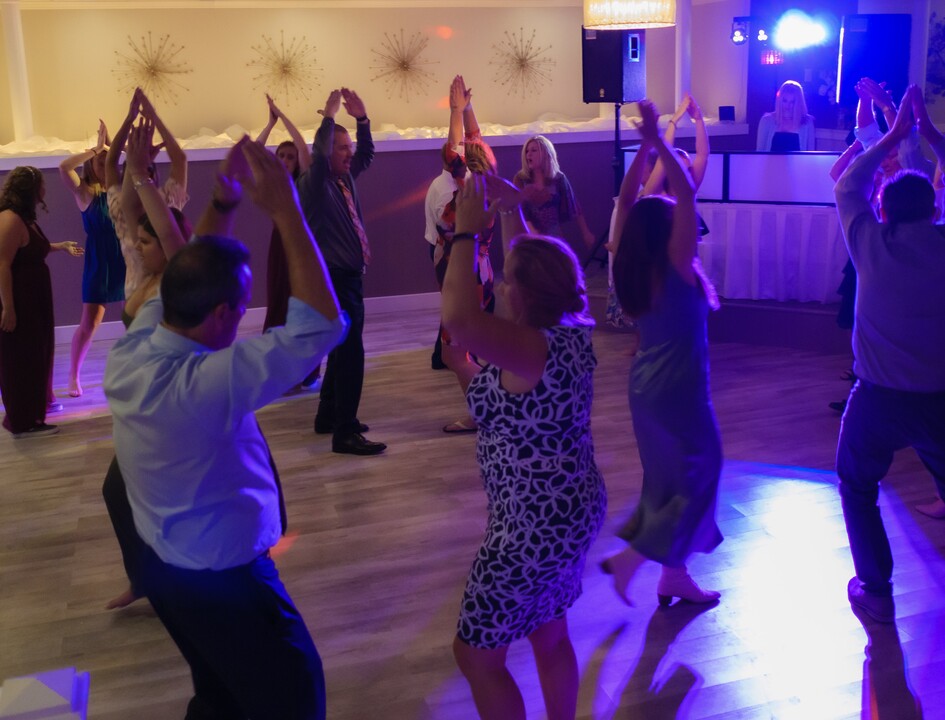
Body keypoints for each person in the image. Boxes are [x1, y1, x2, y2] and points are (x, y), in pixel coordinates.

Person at [104, 137, 346, 718]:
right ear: (221, 315)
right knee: (296, 694)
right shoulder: (206, 386)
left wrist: (225, 198)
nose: (242, 317)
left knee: (219, 696)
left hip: (166, 569)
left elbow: (191, 266)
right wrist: (287, 210)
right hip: (224, 580)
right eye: (240, 308)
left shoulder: (134, 349)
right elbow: (320, 329)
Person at [441, 173, 606, 720]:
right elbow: (497, 405)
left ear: (525, 294)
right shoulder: (571, 331)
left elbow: (459, 318)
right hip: (568, 511)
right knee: (549, 634)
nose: (503, 286)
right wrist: (512, 209)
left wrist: (466, 234)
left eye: (508, 281)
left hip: (530, 530)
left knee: (475, 656)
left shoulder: (530, 348)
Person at [601, 99, 723, 608]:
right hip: (678, 389)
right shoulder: (676, 267)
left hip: (646, 386)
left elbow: (628, 201)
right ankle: (632, 560)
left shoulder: (632, 264)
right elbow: (686, 194)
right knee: (702, 469)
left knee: (668, 480)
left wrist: (649, 145)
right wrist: (657, 142)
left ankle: (673, 575)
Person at [833, 85, 945, 623]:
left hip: (877, 400)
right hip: (940, 399)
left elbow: (847, 184)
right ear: (935, 208)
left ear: (883, 209)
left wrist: (892, 137)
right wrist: (932, 135)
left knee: (857, 485)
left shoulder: (869, 242)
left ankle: (876, 590)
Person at [101, 116, 190, 611]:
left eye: (147, 241)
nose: (137, 245)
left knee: (129, 490)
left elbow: (172, 239)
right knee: (118, 491)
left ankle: (168, 579)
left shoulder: (176, 278)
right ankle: (147, 577)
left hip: (168, 407)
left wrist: (139, 172)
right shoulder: (146, 277)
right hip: (145, 406)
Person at [298, 87, 386, 455]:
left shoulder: (343, 179)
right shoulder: (314, 184)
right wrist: (329, 118)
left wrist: (362, 120)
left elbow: (366, 154)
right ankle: (345, 431)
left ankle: (329, 415)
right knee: (351, 354)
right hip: (336, 279)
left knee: (341, 347)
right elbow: (319, 158)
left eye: (348, 146)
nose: (349, 153)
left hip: (347, 277)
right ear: (325, 152)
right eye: (341, 148)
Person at [0, 167, 83, 438]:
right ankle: (24, 422)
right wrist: (8, 308)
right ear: (31, 189)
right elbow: (2, 265)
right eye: (42, 185)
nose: (45, 190)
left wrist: (61, 246)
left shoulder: (23, 219)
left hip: (34, 301)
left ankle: (33, 413)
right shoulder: (10, 219)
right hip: (21, 302)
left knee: (36, 354)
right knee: (23, 358)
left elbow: (31, 248)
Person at [437, 75, 496, 434]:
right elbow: (471, 140)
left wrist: (456, 111)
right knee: (464, 350)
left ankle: (489, 411)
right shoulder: (486, 177)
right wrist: (467, 107)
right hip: (479, 271)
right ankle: (483, 412)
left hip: (466, 274)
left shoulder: (469, 184)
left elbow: (453, 148)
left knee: (454, 353)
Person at [257, 94, 321, 393]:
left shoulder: (304, 182)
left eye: (289, 157)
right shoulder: (272, 182)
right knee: (278, 307)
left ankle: (306, 372)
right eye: (280, 156)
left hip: (301, 249)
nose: (284, 160)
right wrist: (270, 124)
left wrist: (283, 116)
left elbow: (304, 149)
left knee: (302, 308)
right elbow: (252, 153)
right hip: (278, 249)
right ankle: (277, 372)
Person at [61, 120, 126, 397]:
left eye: (110, 161)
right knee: (90, 323)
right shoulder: (85, 192)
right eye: (101, 162)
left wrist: (114, 148)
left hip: (125, 258)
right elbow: (64, 168)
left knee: (137, 317)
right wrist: (96, 149)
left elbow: (142, 166)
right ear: (92, 164)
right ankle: (73, 375)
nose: (106, 165)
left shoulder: (120, 190)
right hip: (100, 262)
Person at [106, 88, 189, 303]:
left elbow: (180, 160)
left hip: (158, 290)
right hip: (142, 291)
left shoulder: (164, 202)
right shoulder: (123, 208)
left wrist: (143, 118)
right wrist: (139, 119)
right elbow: (111, 163)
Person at [513, 134, 595, 247]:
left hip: (554, 238)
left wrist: (586, 233)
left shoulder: (559, 178)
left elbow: (574, 205)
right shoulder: (520, 179)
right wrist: (534, 233)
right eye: (527, 151)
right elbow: (519, 211)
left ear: (546, 154)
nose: (528, 154)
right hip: (529, 239)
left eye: (533, 150)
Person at [423, 142, 461, 371]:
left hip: (440, 248)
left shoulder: (440, 183)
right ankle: (444, 356)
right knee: (454, 304)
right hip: (447, 251)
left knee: (452, 303)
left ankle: (442, 354)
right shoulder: (447, 189)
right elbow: (447, 225)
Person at [756, 80, 816, 152]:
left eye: (792, 102)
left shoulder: (807, 122)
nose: (788, 105)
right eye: (784, 101)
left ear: (798, 103)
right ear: (779, 100)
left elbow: (810, 154)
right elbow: (759, 152)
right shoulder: (766, 121)